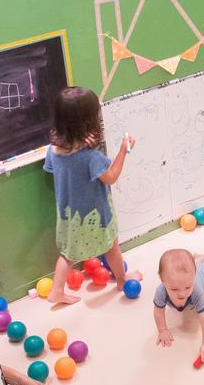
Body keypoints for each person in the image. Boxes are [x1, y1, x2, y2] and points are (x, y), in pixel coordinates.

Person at [43, 87, 141, 305]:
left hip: (68, 217)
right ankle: (122, 281)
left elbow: (52, 170)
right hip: (96, 217)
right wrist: (124, 150)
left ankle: (56, 291)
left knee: (68, 254)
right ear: (89, 124)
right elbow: (112, 176)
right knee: (112, 247)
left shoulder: (53, 150)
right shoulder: (90, 157)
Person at [153, 249, 204, 364]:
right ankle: (196, 261)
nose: (182, 294)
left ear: (193, 277)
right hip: (193, 271)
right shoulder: (161, 291)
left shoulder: (196, 289)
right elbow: (158, 312)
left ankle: (203, 269)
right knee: (190, 272)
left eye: (187, 287)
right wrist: (163, 330)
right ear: (162, 280)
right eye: (174, 289)